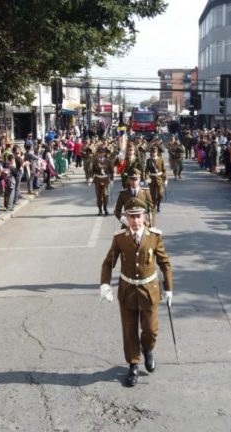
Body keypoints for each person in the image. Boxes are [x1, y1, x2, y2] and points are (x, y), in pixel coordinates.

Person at [99, 198, 173, 387]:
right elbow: (109, 262)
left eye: (138, 216)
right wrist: (105, 284)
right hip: (128, 291)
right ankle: (133, 365)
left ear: (145, 217)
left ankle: (147, 349)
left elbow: (165, 263)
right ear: (126, 218)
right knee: (129, 331)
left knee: (150, 329)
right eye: (131, 217)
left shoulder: (154, 236)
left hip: (149, 291)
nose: (135, 221)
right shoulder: (120, 238)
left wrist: (169, 288)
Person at [91, 147, 113, 216]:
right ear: (97, 153)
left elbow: (111, 171)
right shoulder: (94, 161)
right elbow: (92, 170)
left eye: (102, 153)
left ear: (104, 153)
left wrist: (112, 179)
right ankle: (100, 210)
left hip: (105, 180)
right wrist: (90, 178)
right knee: (99, 196)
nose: (100, 154)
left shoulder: (108, 161)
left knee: (105, 195)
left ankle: (105, 209)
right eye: (99, 153)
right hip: (97, 179)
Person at [145, 147, 166, 213]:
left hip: (160, 179)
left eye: (155, 152)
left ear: (157, 152)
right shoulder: (149, 160)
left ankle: (158, 204)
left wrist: (165, 179)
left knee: (160, 194)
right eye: (152, 152)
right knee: (152, 195)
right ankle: (154, 206)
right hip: (152, 179)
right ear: (150, 153)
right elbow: (147, 170)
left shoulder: (161, 159)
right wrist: (147, 178)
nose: (153, 154)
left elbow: (164, 170)